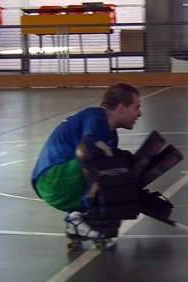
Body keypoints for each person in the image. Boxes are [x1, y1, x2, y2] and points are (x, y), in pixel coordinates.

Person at [31, 83, 142, 239]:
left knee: (113, 160)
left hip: (58, 179)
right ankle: (77, 217)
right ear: (121, 108)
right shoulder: (96, 117)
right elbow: (87, 153)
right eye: (136, 107)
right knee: (101, 158)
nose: (139, 114)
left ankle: (86, 215)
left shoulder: (110, 134)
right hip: (51, 180)